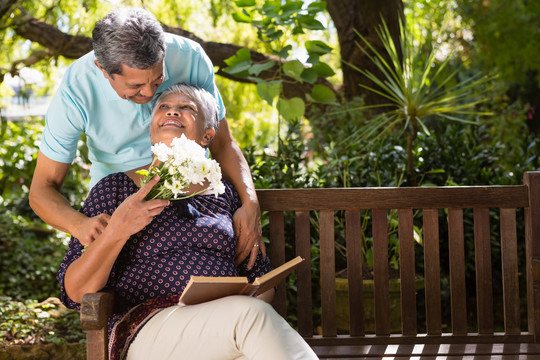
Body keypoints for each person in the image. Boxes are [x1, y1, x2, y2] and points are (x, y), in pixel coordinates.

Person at [57, 83, 318, 360]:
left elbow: (260, 278)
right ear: (151, 130)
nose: (173, 112)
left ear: (207, 135)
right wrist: (118, 230)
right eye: (164, 107)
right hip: (149, 326)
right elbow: (74, 291)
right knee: (252, 316)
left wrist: (246, 294)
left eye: (187, 108)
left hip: (225, 327)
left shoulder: (224, 193)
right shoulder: (117, 189)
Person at [29, 7, 262, 268]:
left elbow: (222, 142)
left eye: (158, 79)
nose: (150, 93)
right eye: (136, 86)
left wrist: (250, 202)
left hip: (195, 195)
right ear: (103, 70)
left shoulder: (190, 57)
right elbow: (42, 189)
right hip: (117, 204)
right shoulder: (76, 89)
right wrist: (81, 225)